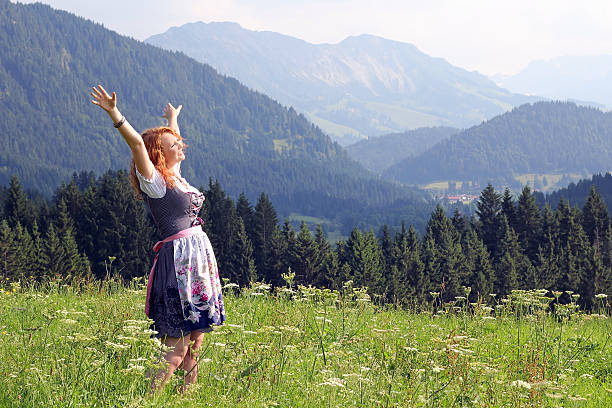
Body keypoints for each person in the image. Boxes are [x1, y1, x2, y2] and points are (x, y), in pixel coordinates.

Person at [90, 85, 226, 392]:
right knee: (176, 349)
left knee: (196, 341)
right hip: (179, 264)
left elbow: (170, 142)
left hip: (197, 263)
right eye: (174, 144)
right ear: (158, 155)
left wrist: (172, 119)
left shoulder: (175, 173)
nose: (181, 146)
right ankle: (147, 400)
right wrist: (114, 113)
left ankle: (186, 397)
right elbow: (139, 143)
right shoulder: (154, 182)